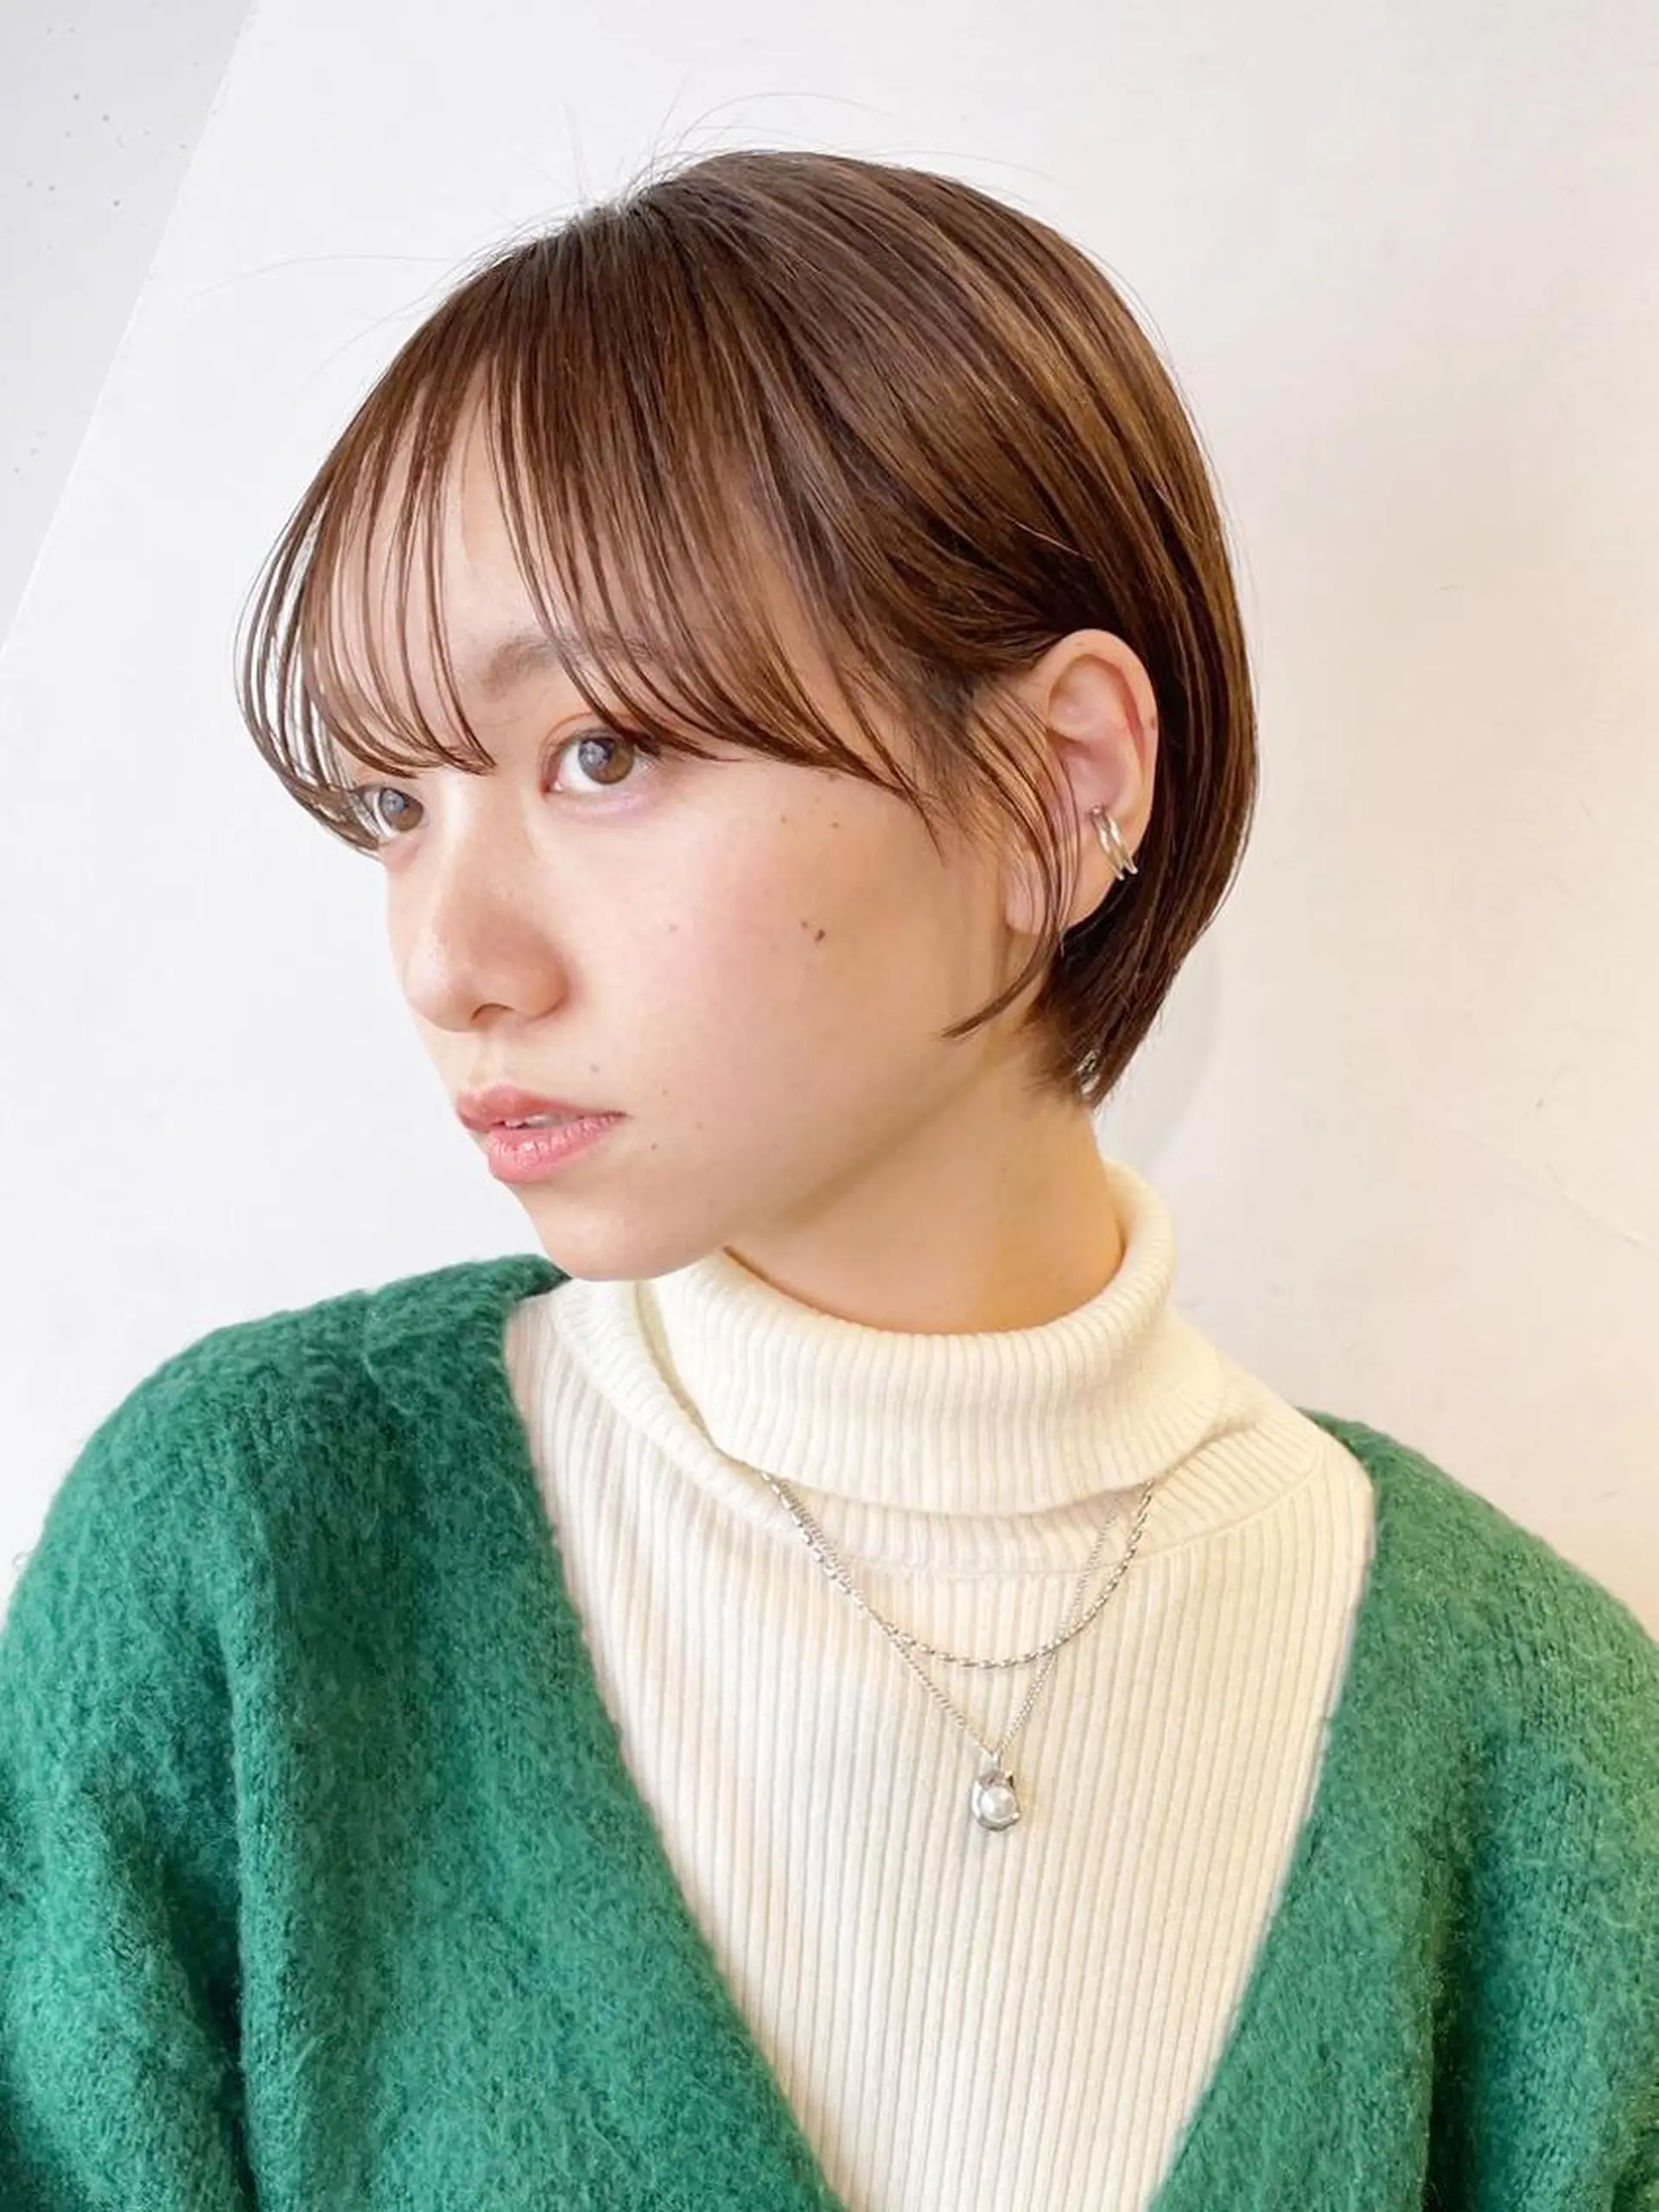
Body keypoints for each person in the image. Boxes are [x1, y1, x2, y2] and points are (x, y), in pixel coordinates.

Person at [2, 146, 1654, 2212]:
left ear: (1057, 786)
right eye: (394, 797)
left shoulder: (1540, 1755)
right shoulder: (254, 1563)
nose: (448, 958)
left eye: (603, 751)